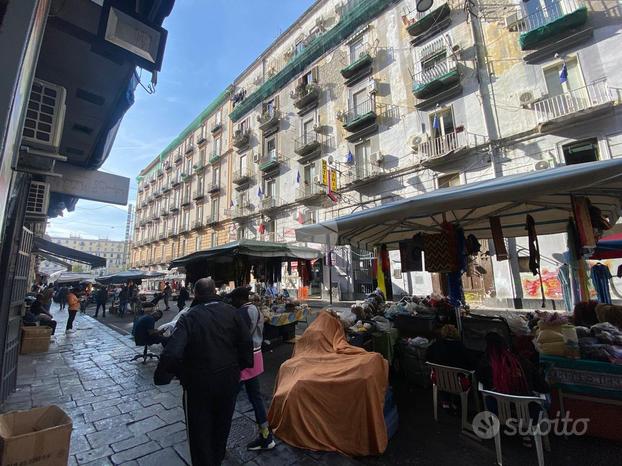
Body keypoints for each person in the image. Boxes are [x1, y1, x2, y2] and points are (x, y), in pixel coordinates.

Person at [154, 277, 253, 466]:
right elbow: (246, 342)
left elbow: (172, 352)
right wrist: (239, 366)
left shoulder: (189, 317)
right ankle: (217, 457)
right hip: (228, 380)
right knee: (223, 423)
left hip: (199, 383)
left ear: (197, 294)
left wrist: (170, 375)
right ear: (215, 291)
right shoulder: (232, 312)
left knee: (199, 430)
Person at [229, 287, 275, 451]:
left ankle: (219, 438)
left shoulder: (242, 312)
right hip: (255, 359)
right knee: (256, 399)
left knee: (228, 400)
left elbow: (240, 338)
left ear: (239, 299)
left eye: (233, 300)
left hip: (244, 362)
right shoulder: (255, 309)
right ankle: (266, 436)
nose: (232, 302)